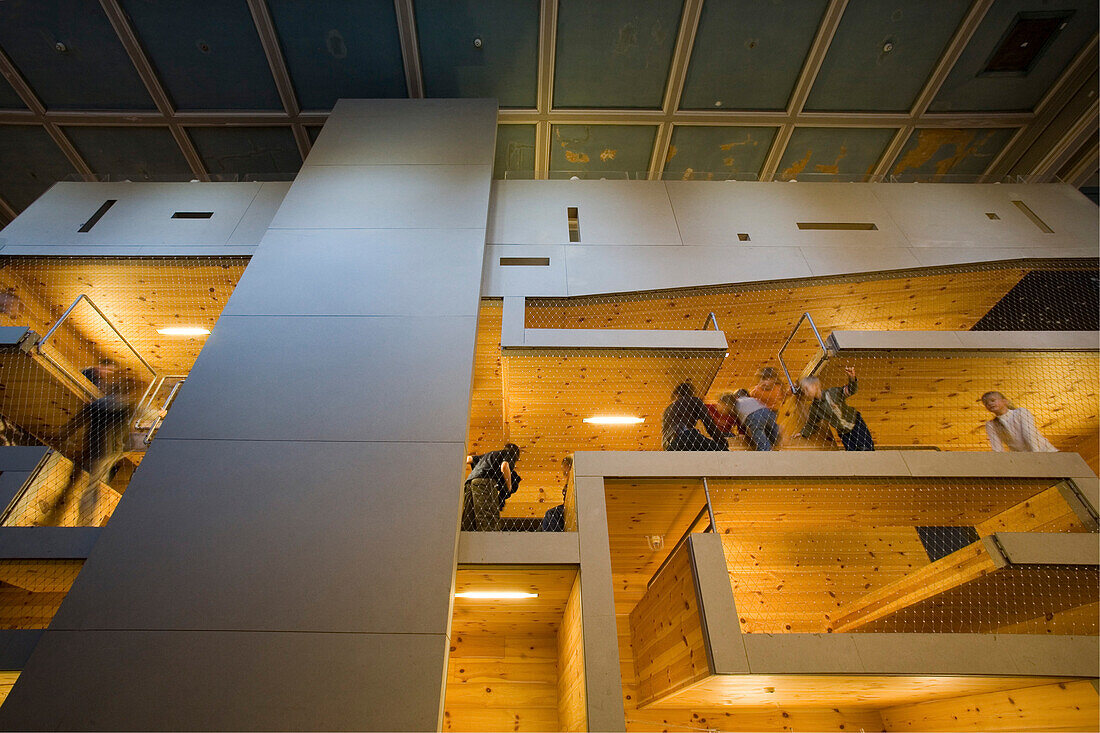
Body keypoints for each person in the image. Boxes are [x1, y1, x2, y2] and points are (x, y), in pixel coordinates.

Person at [42, 374, 141, 526]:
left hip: (97, 450)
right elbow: (131, 426)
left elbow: (75, 424)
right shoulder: (128, 407)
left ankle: (82, 522)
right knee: (93, 487)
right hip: (111, 451)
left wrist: (60, 437)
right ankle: (85, 524)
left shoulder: (97, 404)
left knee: (88, 486)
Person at [798, 367, 874, 451]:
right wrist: (802, 433)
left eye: (806, 389)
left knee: (867, 448)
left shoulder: (833, 392)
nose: (805, 392)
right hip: (843, 432)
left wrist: (852, 378)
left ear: (815, 386)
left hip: (856, 423)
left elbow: (851, 390)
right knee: (852, 452)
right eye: (803, 390)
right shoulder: (814, 408)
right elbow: (811, 424)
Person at [462, 443, 521, 531]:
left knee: (469, 517)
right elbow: (504, 466)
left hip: (470, 483)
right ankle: (489, 543)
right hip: (484, 482)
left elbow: (468, 459)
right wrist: (508, 487)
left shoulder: (490, 455)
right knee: (489, 517)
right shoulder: (509, 454)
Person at [981, 391, 1058, 453]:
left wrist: (1036, 454)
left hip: (1046, 452)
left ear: (1005, 401)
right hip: (1024, 458)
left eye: (992, 400)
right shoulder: (991, 424)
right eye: (986, 403)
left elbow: (1029, 434)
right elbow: (997, 449)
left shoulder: (1021, 412)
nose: (990, 404)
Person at [662, 382, 728, 451]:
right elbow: (709, 423)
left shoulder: (668, 409)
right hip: (686, 436)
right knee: (723, 451)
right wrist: (722, 442)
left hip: (669, 446)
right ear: (692, 393)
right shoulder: (694, 400)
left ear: (677, 394)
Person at [540, 456, 572, 532]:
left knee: (551, 514)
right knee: (544, 523)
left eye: (567, 469)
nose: (565, 473)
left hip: (570, 508)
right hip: (567, 507)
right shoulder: (569, 482)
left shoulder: (573, 480)